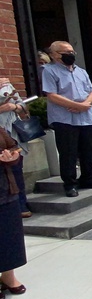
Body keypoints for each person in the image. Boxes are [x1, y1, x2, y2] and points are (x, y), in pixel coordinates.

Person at [43, 41, 92, 197]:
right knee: (68, 152)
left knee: (87, 150)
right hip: (64, 118)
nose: (70, 55)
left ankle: (88, 178)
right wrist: (76, 105)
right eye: (66, 52)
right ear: (55, 55)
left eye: (72, 52)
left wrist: (85, 104)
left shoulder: (81, 71)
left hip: (86, 116)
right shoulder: (49, 71)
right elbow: (51, 95)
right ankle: (70, 184)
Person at [0, 127, 27, 299]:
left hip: (5, 189)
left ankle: (8, 276)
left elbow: (14, 147)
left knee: (10, 235)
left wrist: (13, 156)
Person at [0, 79, 31, 218]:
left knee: (17, 170)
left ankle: (21, 204)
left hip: (12, 133)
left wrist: (14, 107)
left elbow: (22, 105)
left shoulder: (6, 85)